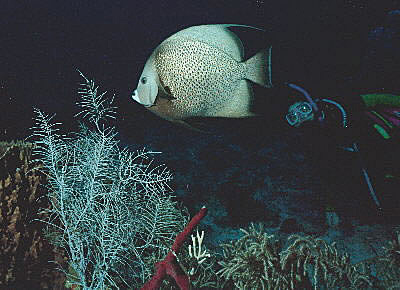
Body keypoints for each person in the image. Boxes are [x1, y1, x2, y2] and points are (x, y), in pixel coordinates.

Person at [285, 83, 400, 225]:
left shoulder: (338, 107)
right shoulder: (315, 145)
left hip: (387, 139)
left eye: (303, 108)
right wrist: (330, 207)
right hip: (372, 164)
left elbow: (377, 99)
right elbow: (327, 175)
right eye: (294, 116)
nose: (302, 114)